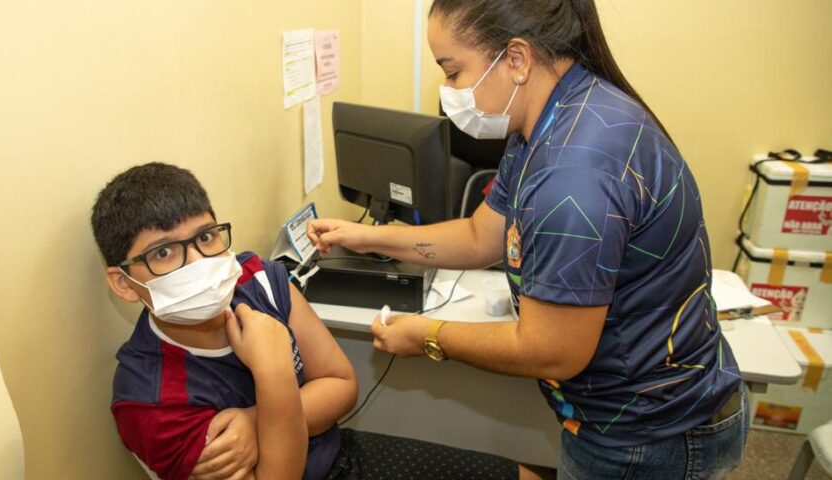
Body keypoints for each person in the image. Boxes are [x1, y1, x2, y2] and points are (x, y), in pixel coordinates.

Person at [308, 1, 748, 478]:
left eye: (453, 72)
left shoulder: (574, 173)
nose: (449, 91)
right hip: (636, 414)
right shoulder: (551, 118)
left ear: (515, 59)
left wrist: (430, 336)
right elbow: (482, 235)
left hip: (647, 436)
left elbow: (553, 350)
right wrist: (371, 238)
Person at [90, 162, 537, 480]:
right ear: (125, 283)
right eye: (164, 253)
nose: (199, 262)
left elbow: (342, 384)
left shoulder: (257, 279)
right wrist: (273, 370)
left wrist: (255, 421)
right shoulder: (149, 400)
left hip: (338, 457)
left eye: (206, 237)